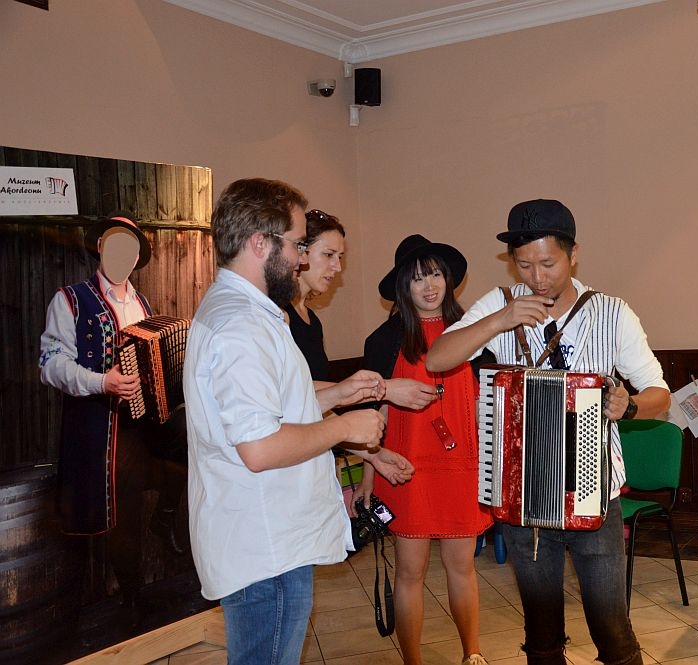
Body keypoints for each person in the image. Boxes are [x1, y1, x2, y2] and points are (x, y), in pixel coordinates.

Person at [426, 199, 671, 665]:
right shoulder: (499, 303)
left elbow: (661, 394)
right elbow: (437, 358)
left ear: (573, 254)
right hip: (524, 494)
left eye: (547, 263)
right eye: (524, 265)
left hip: (595, 495)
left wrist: (630, 404)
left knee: (612, 627)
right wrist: (500, 320)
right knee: (540, 632)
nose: (537, 277)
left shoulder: (612, 312)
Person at [183, 177, 415, 665]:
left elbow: (275, 403)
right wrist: (346, 428)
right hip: (265, 546)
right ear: (259, 243)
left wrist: (340, 393)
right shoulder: (241, 325)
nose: (301, 259)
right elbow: (260, 447)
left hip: (268, 538)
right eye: (295, 244)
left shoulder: (244, 311)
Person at [360, 234, 493, 665]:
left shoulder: (471, 332)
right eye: (417, 278)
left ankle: (472, 653)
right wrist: (368, 473)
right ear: (404, 285)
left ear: (448, 279)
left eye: (435, 274)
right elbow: (372, 411)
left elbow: (488, 403)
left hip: (463, 468)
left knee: (463, 568)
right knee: (409, 573)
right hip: (405, 469)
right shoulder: (384, 339)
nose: (429, 285)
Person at [38, 210, 178, 617]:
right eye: (114, 244)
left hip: (143, 422)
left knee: (187, 461)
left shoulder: (142, 302)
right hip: (99, 427)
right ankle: (129, 600)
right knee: (120, 512)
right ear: (100, 247)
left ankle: (165, 518)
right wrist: (103, 382)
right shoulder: (70, 299)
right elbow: (50, 365)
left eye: (129, 249)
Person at [285, 208, 345, 382]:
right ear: (300, 252)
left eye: (339, 257)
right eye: (328, 254)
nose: (338, 267)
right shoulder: (278, 314)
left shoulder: (313, 321)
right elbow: (290, 389)